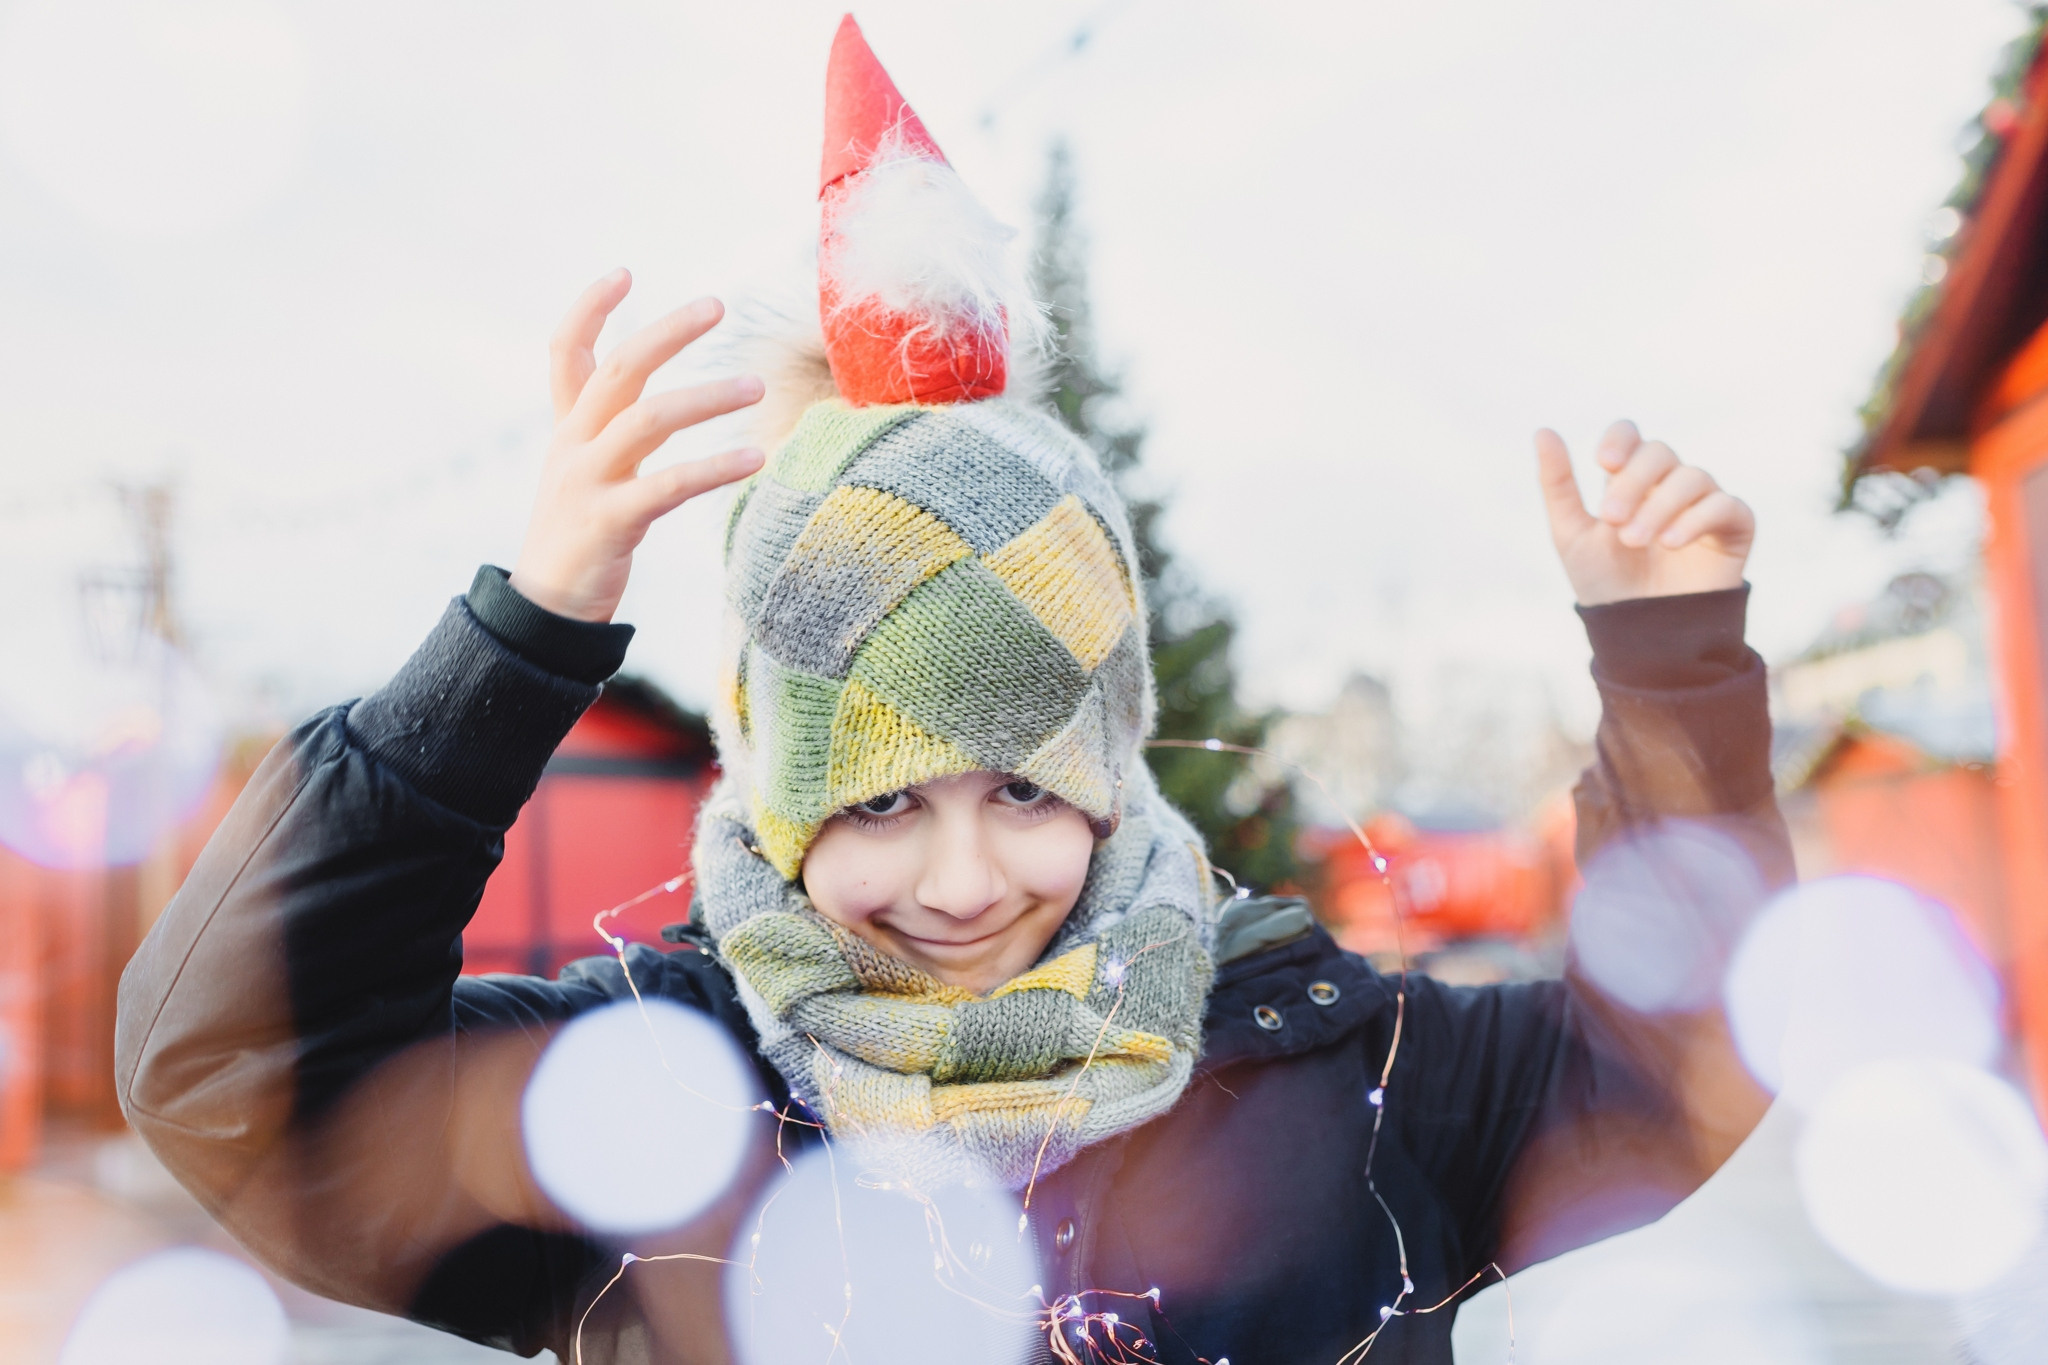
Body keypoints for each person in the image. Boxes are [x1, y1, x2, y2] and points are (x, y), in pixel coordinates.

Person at [116, 16, 1786, 1365]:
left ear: (1112, 769)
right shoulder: (645, 1104)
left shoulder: (1329, 1061)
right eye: (881, 801)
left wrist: (1670, 667)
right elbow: (243, 1086)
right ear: (774, 784)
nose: (967, 878)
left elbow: (1677, 1066)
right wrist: (528, 631)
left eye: (1026, 788)